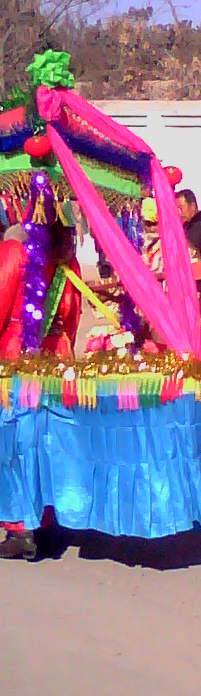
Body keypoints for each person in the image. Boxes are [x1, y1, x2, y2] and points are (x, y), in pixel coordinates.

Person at [0, 221, 82, 559]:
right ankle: (46, 518)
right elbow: (73, 316)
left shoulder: (15, 252)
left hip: (19, 356)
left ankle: (20, 526)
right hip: (57, 357)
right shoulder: (67, 261)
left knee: (14, 442)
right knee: (48, 442)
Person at [175, 189, 201, 261]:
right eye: (177, 209)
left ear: (192, 206)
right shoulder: (188, 227)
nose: (179, 212)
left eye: (181, 208)